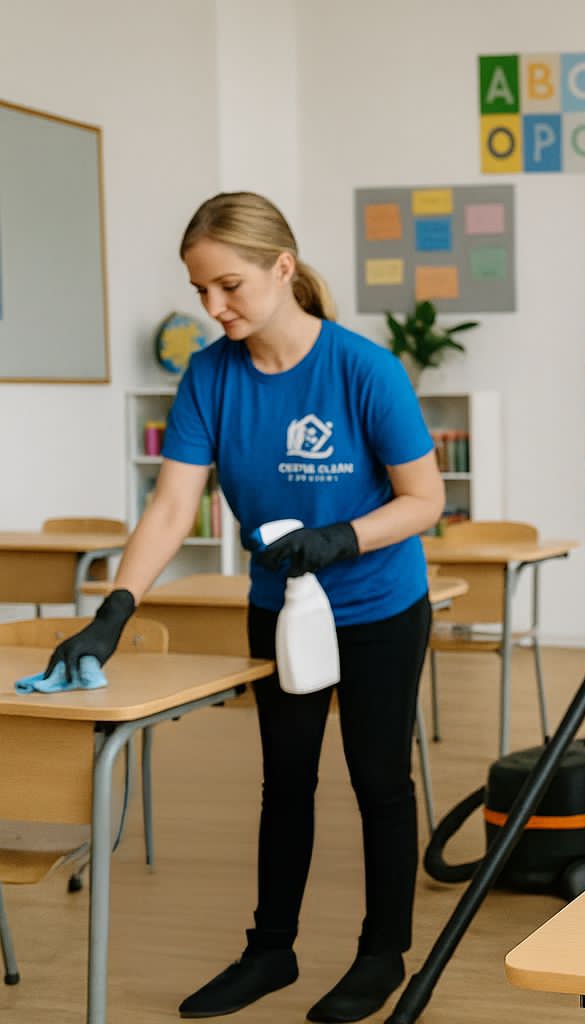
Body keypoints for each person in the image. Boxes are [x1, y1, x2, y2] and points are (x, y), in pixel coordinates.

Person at [47, 192, 444, 1021]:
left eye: (228, 286)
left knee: (378, 780)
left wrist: (342, 538)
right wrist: (117, 606)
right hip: (281, 609)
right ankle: (271, 952)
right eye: (200, 292)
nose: (213, 308)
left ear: (283, 268)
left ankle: (383, 955)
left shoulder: (363, 368)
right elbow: (168, 507)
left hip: (377, 606)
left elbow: (425, 500)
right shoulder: (210, 375)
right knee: (286, 782)